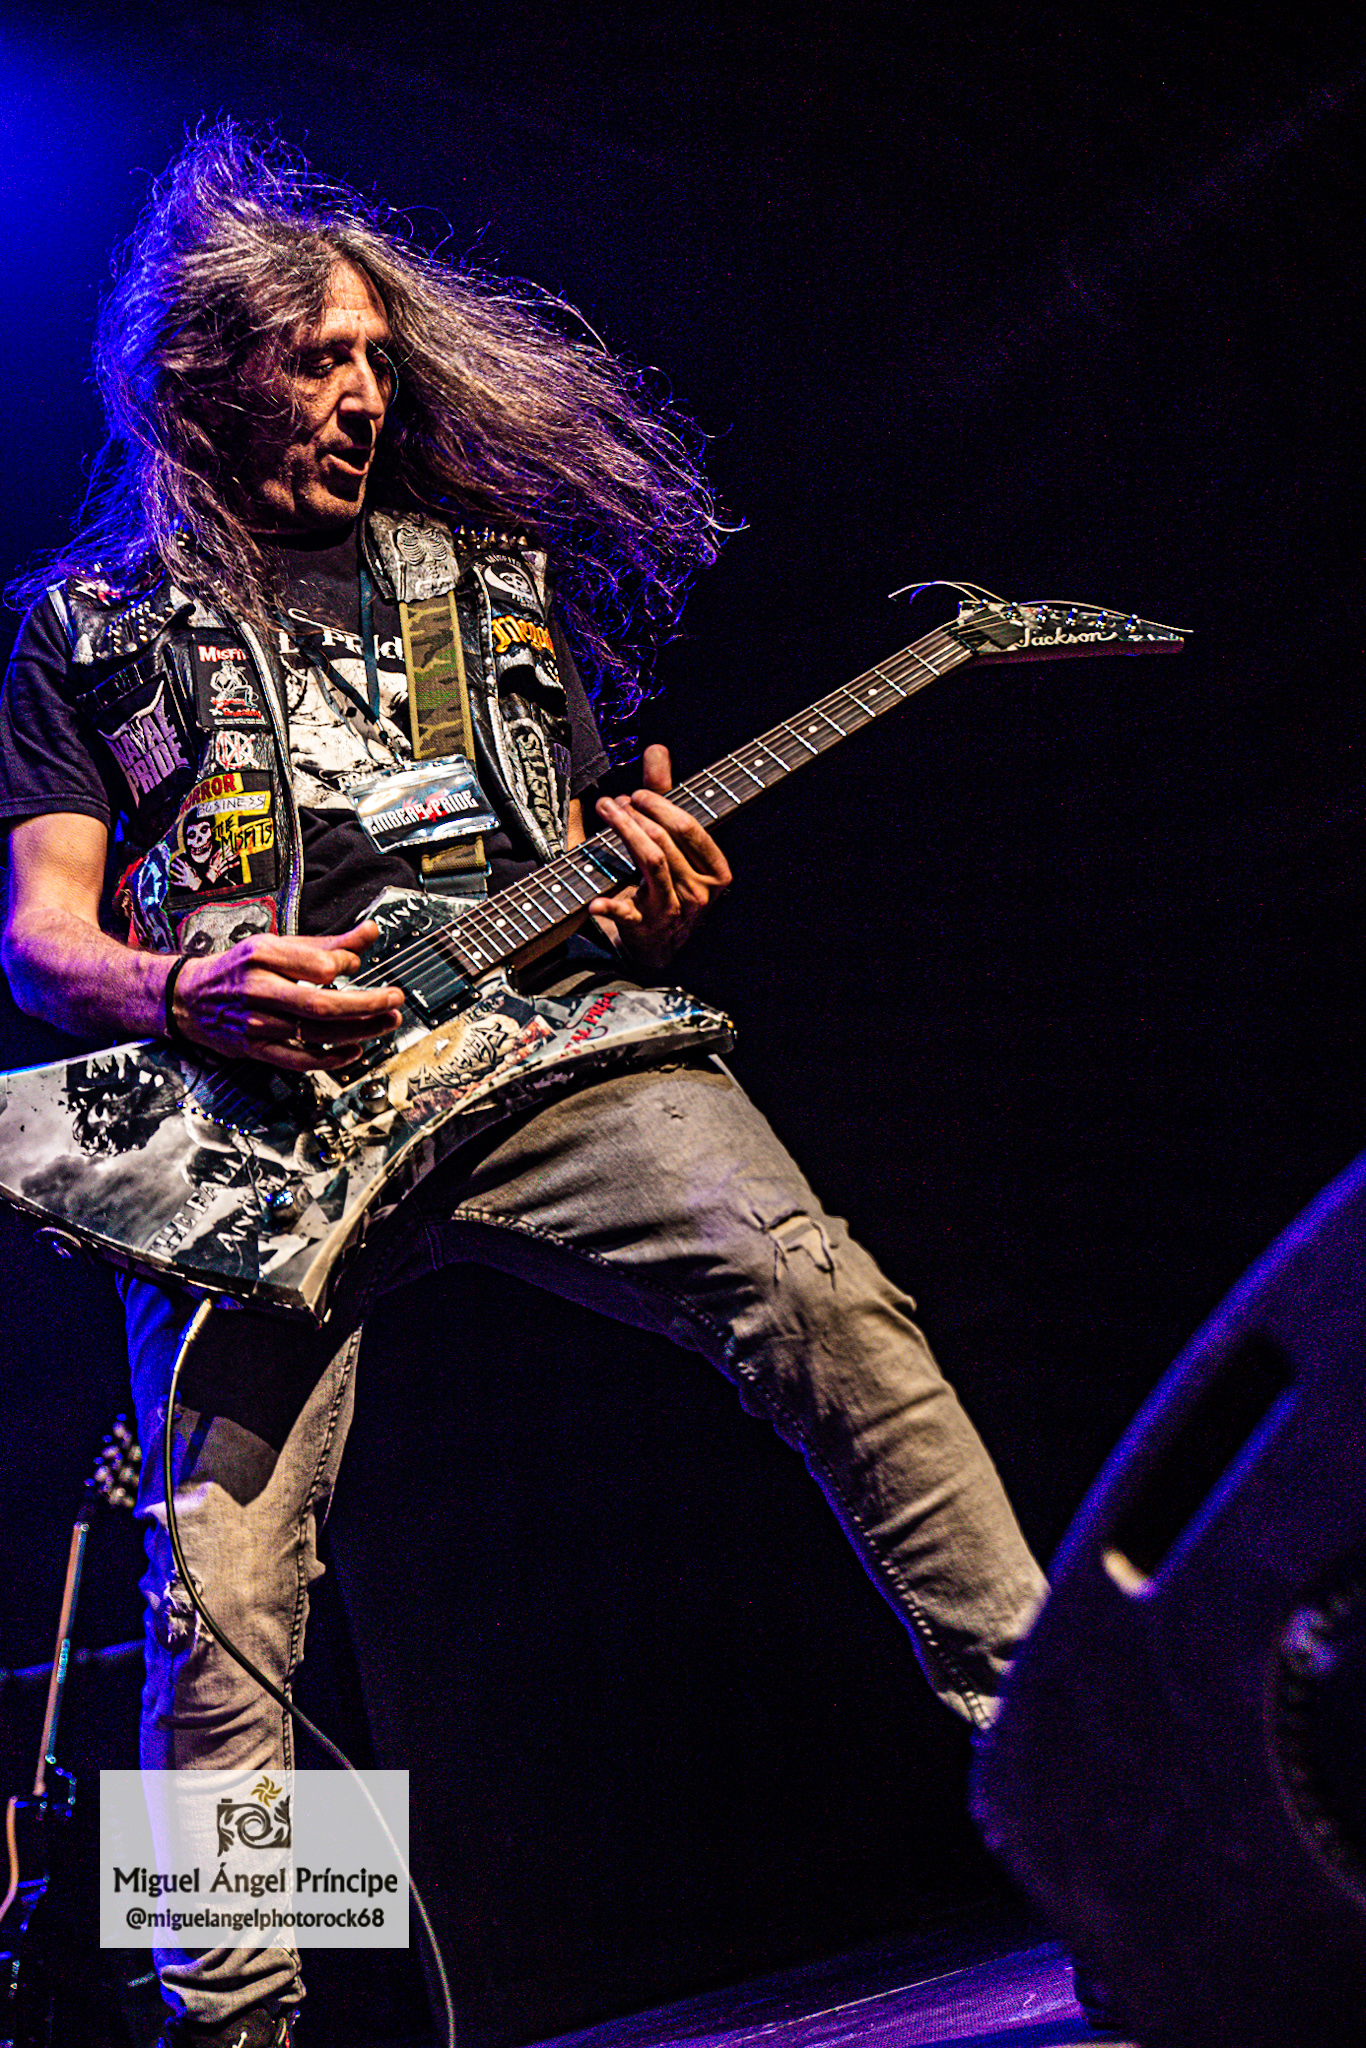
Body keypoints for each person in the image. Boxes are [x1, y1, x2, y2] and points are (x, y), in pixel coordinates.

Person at [0, 128, 1048, 2048]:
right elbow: (41, 944)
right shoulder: (85, 627)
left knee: (824, 1298)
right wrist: (183, 982)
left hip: (537, 1048)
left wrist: (643, 895)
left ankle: (1094, 1771)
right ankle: (229, 2022)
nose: (363, 391)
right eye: (319, 357)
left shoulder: (488, 585)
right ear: (199, 375)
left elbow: (571, 879)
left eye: (376, 357)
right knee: (216, 1577)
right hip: (252, 1131)